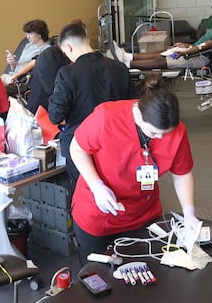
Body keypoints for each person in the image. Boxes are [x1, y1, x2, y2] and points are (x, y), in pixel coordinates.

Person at [69, 75, 199, 259]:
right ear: (138, 115)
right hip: (100, 212)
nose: (161, 139)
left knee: (144, 271)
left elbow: (182, 173)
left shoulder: (175, 130)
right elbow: (77, 149)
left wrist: (189, 212)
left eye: (166, 134)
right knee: (100, 274)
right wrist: (97, 186)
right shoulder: (106, 118)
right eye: (154, 133)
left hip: (143, 214)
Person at [48, 20, 139, 186]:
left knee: (88, 193)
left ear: (68, 47)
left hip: (82, 147)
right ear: (87, 41)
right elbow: (134, 106)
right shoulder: (119, 68)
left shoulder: (67, 73)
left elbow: (55, 116)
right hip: (118, 142)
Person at [120, 2, 212, 71]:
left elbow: (204, 46)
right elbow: (199, 45)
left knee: (161, 61)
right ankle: (128, 56)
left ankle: (126, 64)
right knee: (165, 51)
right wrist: (186, 45)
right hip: (194, 52)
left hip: (201, 58)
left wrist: (184, 52)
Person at [0, 19, 51, 94]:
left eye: (30, 34)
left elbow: (34, 63)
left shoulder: (46, 49)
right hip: (12, 76)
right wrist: (12, 64)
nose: (27, 37)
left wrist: (16, 76)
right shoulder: (28, 45)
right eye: (27, 34)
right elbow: (17, 67)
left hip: (20, 80)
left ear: (39, 34)